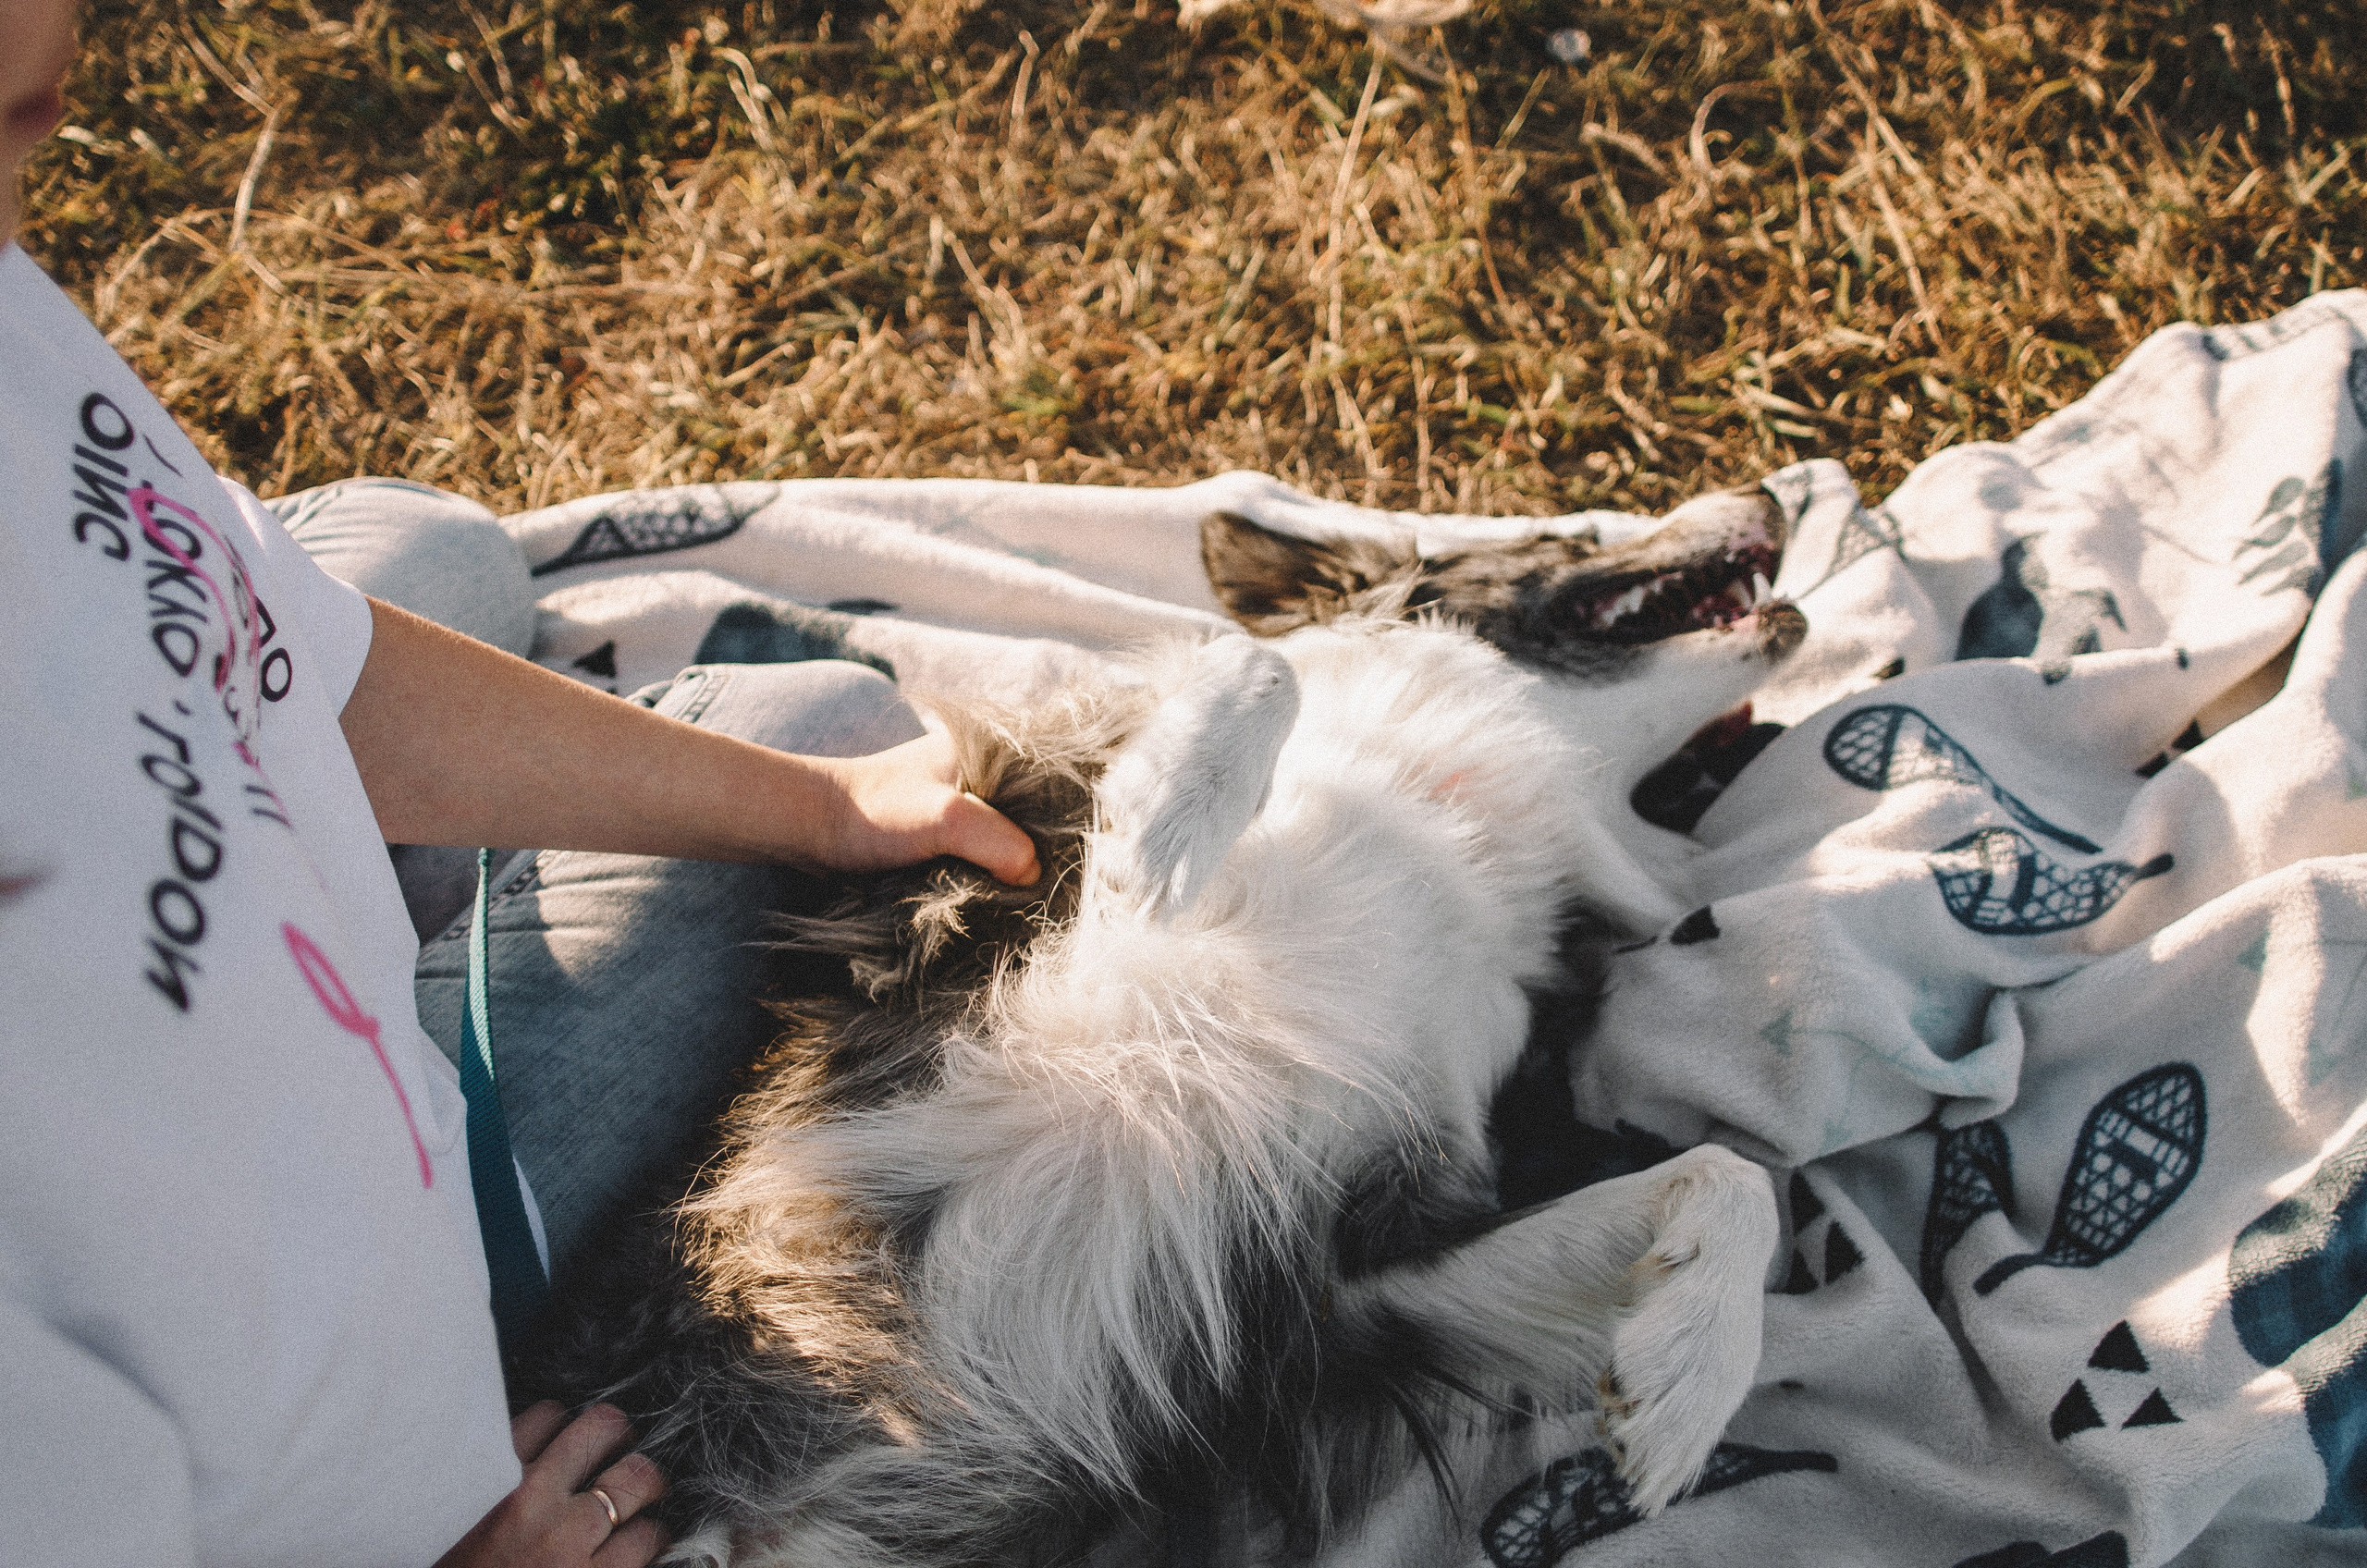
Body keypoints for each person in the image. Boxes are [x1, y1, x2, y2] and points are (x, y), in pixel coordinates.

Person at [0, 3, 1038, 1563]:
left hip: (278, 1020)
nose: (28, 212)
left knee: (436, 555)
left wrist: (823, 814)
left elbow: (300, 663)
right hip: (337, 1354)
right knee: (818, 712)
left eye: (36, 123)